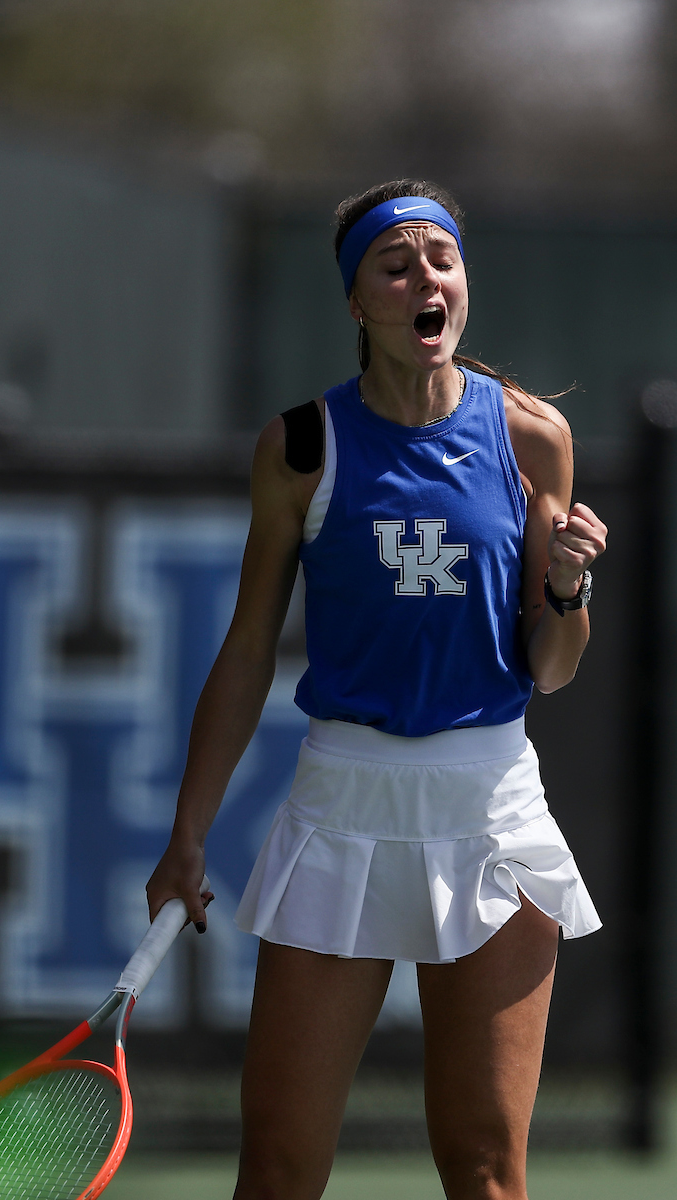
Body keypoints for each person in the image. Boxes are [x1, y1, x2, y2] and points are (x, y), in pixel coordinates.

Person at [146, 178, 607, 1200]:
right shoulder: (300, 449)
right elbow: (246, 649)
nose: (420, 281)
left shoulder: (531, 439)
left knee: (485, 1173)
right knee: (273, 1172)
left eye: (437, 261)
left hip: (487, 813)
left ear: (460, 284)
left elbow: (548, 664)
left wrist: (568, 589)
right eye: (392, 267)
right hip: (339, 810)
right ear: (357, 303)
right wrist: (188, 833)